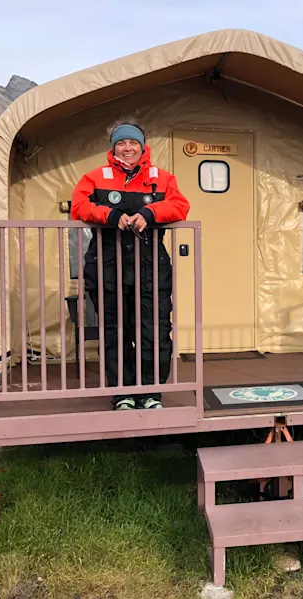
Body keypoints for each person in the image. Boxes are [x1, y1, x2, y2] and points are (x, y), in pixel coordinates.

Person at [71, 121, 189, 410]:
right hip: (107, 266)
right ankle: (123, 394)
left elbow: (180, 205)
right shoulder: (95, 177)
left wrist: (149, 213)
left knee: (155, 330)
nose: (127, 148)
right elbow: (78, 207)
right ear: (113, 149)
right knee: (115, 331)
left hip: (150, 267)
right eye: (121, 144)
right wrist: (109, 216)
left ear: (142, 147)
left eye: (133, 143)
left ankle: (151, 394)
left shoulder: (162, 178)